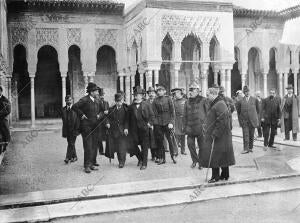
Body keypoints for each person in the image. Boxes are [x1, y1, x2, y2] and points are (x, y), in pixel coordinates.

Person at [200, 87, 235, 183]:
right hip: (221, 135)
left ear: (213, 94)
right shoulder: (217, 103)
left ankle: (215, 176)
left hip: (219, 135)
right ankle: (224, 175)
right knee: (223, 155)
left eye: (208, 95)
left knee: (215, 155)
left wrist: (215, 133)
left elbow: (222, 120)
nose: (207, 97)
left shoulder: (219, 104)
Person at [73, 82, 101, 173]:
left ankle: (92, 164)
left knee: (93, 146)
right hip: (86, 127)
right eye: (96, 91)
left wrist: (99, 116)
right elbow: (74, 107)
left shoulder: (97, 100)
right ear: (91, 92)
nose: (97, 92)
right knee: (88, 146)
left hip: (95, 127)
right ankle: (86, 166)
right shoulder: (84, 100)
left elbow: (101, 111)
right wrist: (82, 115)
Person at [128, 86, 154, 170]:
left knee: (144, 146)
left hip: (144, 129)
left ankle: (144, 164)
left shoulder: (147, 104)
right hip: (134, 130)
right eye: (135, 94)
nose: (137, 96)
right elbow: (127, 119)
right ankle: (140, 158)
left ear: (142, 95)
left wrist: (149, 123)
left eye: (138, 94)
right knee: (133, 145)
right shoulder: (131, 106)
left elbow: (152, 116)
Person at [183, 82, 209, 169]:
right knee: (190, 145)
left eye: (192, 90)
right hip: (190, 127)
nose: (190, 92)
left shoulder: (203, 100)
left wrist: (206, 125)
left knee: (202, 146)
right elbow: (184, 115)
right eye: (190, 90)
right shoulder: (187, 102)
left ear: (198, 91)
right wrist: (184, 127)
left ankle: (200, 162)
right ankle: (195, 160)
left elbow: (208, 112)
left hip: (200, 127)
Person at [152, 84, 177, 165]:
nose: (159, 92)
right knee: (160, 141)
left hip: (168, 122)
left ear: (164, 91)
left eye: (161, 91)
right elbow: (154, 113)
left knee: (170, 140)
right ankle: (162, 158)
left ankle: (173, 156)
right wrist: (155, 124)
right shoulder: (155, 100)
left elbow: (172, 112)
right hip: (159, 123)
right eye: (158, 91)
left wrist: (171, 122)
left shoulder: (168, 99)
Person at [105, 93, 129, 168]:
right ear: (115, 101)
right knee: (118, 147)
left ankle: (122, 162)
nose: (119, 103)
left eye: (120, 101)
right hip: (114, 131)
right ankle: (120, 161)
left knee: (122, 147)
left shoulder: (126, 109)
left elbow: (127, 120)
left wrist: (126, 128)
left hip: (122, 131)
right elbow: (107, 117)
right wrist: (107, 123)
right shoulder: (112, 109)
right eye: (117, 101)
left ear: (123, 101)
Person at [235, 86, 259, 154]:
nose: (247, 93)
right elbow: (239, 112)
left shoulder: (254, 99)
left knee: (251, 135)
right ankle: (246, 149)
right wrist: (241, 121)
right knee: (245, 135)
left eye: (248, 91)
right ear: (244, 92)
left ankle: (250, 148)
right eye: (245, 92)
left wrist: (255, 119)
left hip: (252, 121)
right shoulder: (240, 101)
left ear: (249, 92)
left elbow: (258, 110)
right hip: (244, 121)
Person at [61, 95, 80, 164]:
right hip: (67, 130)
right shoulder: (63, 109)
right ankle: (75, 157)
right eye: (67, 100)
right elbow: (63, 121)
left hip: (74, 130)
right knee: (71, 143)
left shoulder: (76, 109)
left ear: (72, 100)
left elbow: (78, 121)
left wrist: (77, 130)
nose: (68, 101)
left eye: (70, 100)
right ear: (65, 101)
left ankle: (67, 157)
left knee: (71, 143)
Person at [171, 87, 187, 155]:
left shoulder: (186, 101)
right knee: (176, 134)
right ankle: (175, 151)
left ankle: (183, 150)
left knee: (183, 135)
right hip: (176, 120)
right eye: (174, 93)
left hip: (184, 120)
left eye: (177, 92)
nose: (175, 94)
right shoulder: (173, 101)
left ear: (180, 93)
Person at [146, 86, 158, 161]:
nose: (151, 94)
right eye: (149, 93)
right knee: (151, 140)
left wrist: (155, 123)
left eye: (152, 93)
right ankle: (153, 155)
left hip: (157, 123)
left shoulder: (157, 101)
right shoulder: (146, 102)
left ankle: (158, 155)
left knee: (157, 140)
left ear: (155, 93)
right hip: (149, 124)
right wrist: (149, 123)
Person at [97, 88, 109, 156]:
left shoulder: (106, 102)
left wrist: (108, 112)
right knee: (99, 137)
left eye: (102, 95)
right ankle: (101, 151)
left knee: (107, 137)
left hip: (105, 122)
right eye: (100, 95)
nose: (102, 96)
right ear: (98, 95)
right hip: (98, 123)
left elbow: (108, 113)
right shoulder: (96, 103)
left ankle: (107, 151)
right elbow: (97, 113)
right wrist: (104, 113)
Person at [0, 86, 11, 153]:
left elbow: (8, 110)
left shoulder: (5, 100)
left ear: (1, 91)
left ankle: (4, 146)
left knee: (5, 134)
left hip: (3, 119)